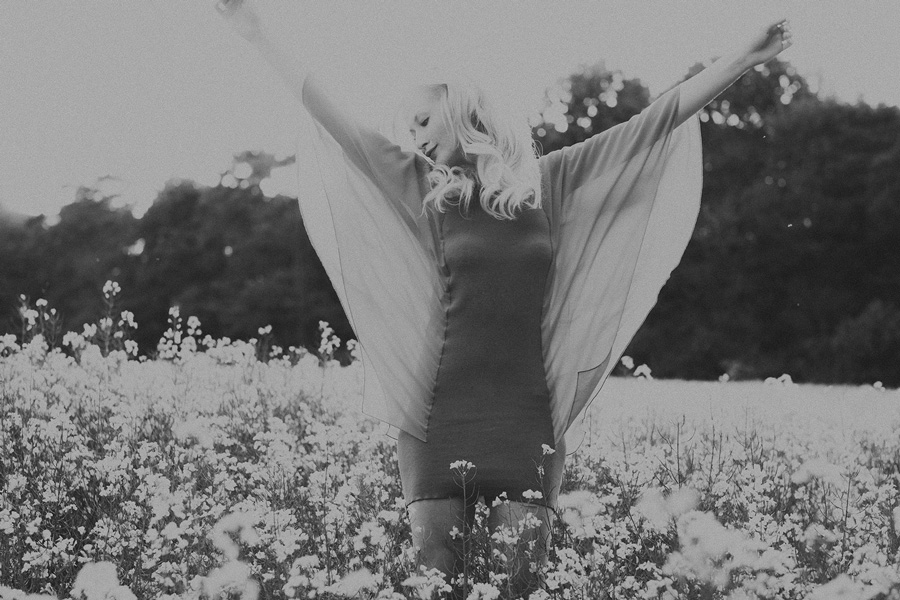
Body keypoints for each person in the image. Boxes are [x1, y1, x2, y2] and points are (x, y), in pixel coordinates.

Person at [214, 2, 792, 597]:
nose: (415, 137)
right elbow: (332, 116)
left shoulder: (552, 183)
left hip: (527, 414)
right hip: (436, 413)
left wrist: (743, 58)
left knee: (521, 586)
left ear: (460, 106)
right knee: (437, 586)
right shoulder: (419, 185)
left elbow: (653, 123)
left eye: (422, 120)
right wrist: (257, 33)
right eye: (410, 129)